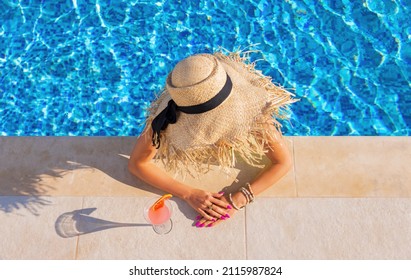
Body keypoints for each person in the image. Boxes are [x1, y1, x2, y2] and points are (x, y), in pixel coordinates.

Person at [128, 50, 296, 228]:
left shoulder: (250, 114)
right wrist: (189, 193)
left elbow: (283, 162)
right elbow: (137, 164)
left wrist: (238, 199)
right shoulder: (167, 119)